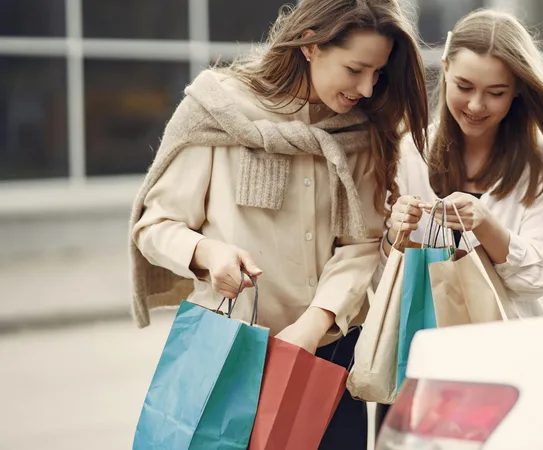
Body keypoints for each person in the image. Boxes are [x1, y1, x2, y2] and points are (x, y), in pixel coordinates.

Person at [128, 0, 429, 448]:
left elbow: (362, 245)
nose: (367, 89)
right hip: (228, 354)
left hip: (328, 359)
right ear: (311, 45)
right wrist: (208, 253)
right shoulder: (218, 107)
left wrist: (312, 326)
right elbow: (155, 225)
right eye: (355, 69)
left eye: (378, 73)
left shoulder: (363, 131)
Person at [375, 8, 543, 430]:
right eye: (464, 86)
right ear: (447, 67)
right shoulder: (410, 151)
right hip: (417, 357)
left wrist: (488, 226)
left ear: (517, 94)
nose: (476, 104)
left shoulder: (539, 163)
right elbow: (383, 274)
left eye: (495, 92)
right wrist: (393, 236)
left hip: (504, 361)